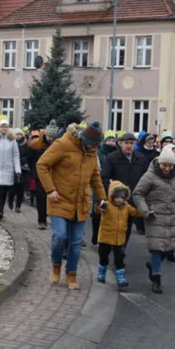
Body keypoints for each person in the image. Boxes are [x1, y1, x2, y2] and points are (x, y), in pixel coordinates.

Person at [37, 121, 108, 290]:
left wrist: (102, 198)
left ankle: (71, 274)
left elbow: (95, 177)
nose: (93, 148)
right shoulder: (63, 144)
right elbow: (42, 165)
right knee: (60, 236)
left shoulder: (92, 152)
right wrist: (50, 190)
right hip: (59, 199)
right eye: (91, 144)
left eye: (96, 146)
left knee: (76, 243)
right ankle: (56, 266)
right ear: (84, 139)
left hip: (81, 203)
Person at [133, 145, 175, 294]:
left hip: (172, 216)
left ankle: (152, 265)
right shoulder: (149, 176)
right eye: (164, 165)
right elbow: (138, 194)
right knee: (157, 247)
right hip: (154, 216)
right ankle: (156, 279)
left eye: (170, 166)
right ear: (159, 163)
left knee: (169, 247)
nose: (167, 169)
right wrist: (145, 210)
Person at [97, 180, 141, 288]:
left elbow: (135, 212)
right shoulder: (107, 205)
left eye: (122, 197)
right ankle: (102, 272)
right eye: (117, 197)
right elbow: (98, 210)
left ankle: (121, 278)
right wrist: (99, 206)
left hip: (119, 238)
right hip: (105, 237)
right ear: (112, 196)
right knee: (104, 256)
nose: (119, 200)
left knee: (119, 258)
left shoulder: (126, 206)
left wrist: (145, 212)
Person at [9, 128, 30, 212]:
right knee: (12, 189)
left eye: (20, 134)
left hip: (23, 169)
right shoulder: (12, 143)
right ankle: (10, 201)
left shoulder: (26, 144)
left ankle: (18, 206)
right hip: (13, 168)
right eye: (17, 134)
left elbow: (28, 155)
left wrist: (22, 160)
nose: (19, 136)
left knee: (21, 189)